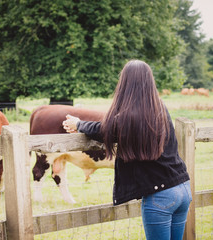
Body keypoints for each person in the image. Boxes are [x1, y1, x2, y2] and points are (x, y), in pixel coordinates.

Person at [62, 60, 191, 240]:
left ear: (125, 84)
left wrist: (79, 124)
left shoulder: (130, 117)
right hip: (182, 187)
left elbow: (104, 129)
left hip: (161, 195)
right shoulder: (160, 108)